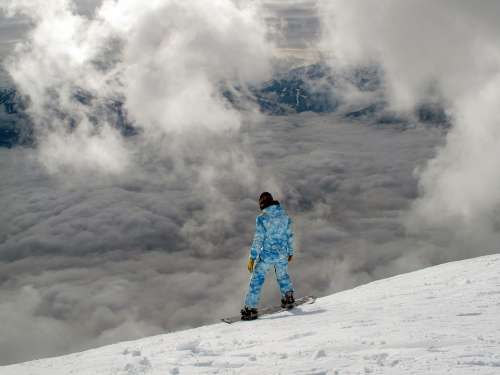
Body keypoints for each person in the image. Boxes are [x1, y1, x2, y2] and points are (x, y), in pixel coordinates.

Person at [241, 192, 295, 320]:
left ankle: (250, 308)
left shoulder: (262, 219)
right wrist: (290, 252)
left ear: (262, 204)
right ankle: (288, 298)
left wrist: (252, 257)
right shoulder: (284, 216)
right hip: (282, 254)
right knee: (283, 276)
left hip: (267, 255)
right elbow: (290, 236)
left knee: (257, 280)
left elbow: (258, 239)